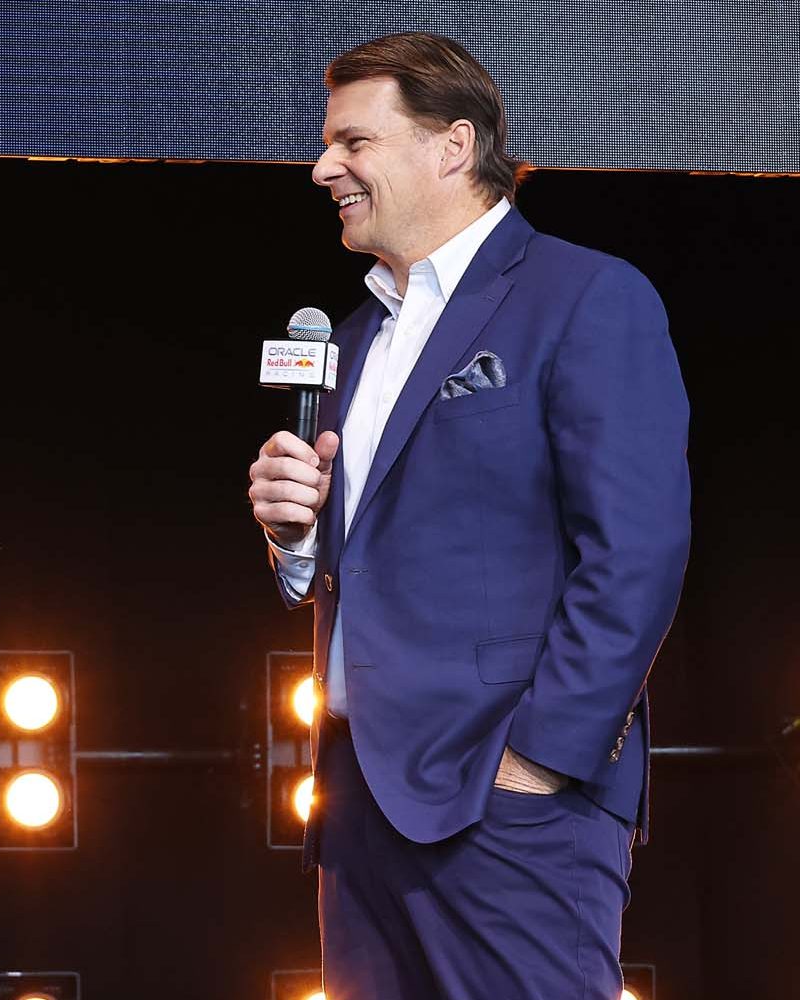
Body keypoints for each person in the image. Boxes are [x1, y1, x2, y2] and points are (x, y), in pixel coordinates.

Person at [246, 32, 689, 998]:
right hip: (360, 811)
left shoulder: (587, 297)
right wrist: (297, 536)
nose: (325, 168)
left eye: (353, 142)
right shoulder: (358, 332)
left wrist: (539, 763)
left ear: (453, 145)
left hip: (509, 807)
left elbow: (637, 552)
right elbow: (366, 562)